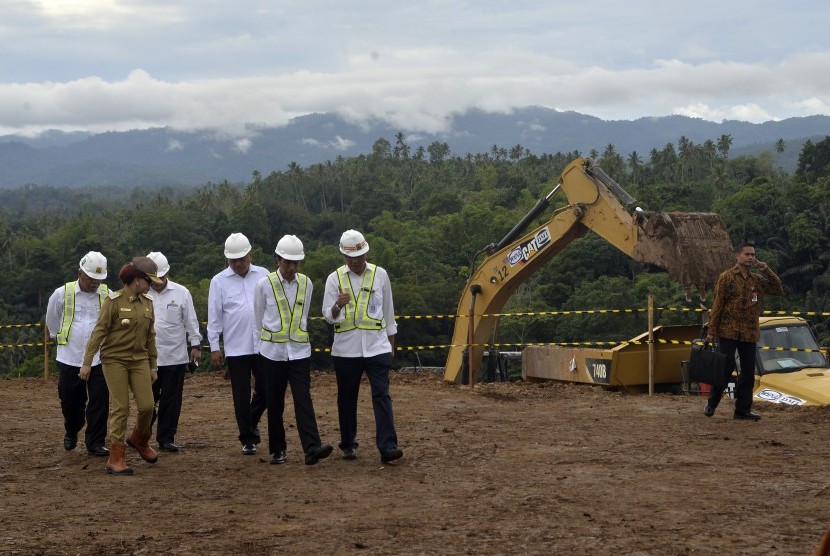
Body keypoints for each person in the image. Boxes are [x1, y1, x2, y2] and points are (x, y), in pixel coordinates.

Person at [322, 229, 403, 463]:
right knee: (347, 398)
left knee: (382, 395)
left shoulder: (380, 275)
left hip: (377, 347)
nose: (356, 262)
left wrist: (391, 345)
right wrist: (338, 305)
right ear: (344, 257)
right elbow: (328, 316)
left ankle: (388, 447)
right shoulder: (334, 279)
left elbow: (388, 312)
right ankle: (348, 444)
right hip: (346, 350)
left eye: (360, 257)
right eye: (351, 259)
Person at [253, 235, 333, 465]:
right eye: (287, 262)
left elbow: (303, 315)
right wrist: (262, 348)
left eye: (296, 263)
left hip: (299, 352)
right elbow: (258, 319)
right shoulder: (264, 285)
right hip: (272, 353)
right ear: (277, 260)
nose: (291, 267)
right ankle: (278, 450)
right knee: (274, 402)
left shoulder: (307, 284)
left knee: (303, 399)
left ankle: (312, 448)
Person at [81, 256, 163, 475]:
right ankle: (115, 457)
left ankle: (139, 438)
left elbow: (150, 337)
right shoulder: (113, 301)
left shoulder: (148, 304)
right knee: (121, 407)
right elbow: (99, 332)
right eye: (149, 281)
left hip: (139, 360)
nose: (152, 285)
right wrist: (87, 363)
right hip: (114, 359)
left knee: (147, 405)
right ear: (137, 279)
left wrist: (153, 365)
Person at [704, 243, 783, 420]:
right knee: (726, 367)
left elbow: (778, 289)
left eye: (753, 255)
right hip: (728, 330)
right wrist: (711, 330)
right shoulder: (726, 277)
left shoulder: (757, 280)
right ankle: (712, 403)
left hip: (749, 331)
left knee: (748, 372)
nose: (751, 257)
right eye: (747, 254)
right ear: (737, 256)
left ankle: (742, 410)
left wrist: (766, 269)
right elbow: (718, 304)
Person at [207, 232, 269, 455]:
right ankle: (248, 438)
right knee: (240, 395)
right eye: (233, 260)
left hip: (264, 344)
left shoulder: (264, 275)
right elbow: (214, 316)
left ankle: (249, 423)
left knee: (266, 390)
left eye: (241, 258)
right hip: (236, 347)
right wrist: (215, 347)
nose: (238, 263)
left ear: (250, 255)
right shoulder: (219, 281)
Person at [45, 251, 111, 457]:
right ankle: (72, 429)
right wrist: (61, 339)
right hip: (70, 358)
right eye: (91, 278)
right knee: (71, 401)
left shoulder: (108, 295)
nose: (95, 283)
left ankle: (95, 442)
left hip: (100, 358)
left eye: (99, 279)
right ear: (80, 272)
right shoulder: (61, 293)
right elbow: (52, 320)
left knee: (100, 401)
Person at [145, 251, 202, 452]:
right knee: (147, 401)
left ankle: (166, 437)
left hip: (175, 357)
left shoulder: (181, 293)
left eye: (159, 277)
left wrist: (195, 346)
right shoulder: (140, 293)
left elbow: (191, 322)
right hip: (147, 359)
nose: (156, 281)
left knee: (171, 400)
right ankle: (142, 436)